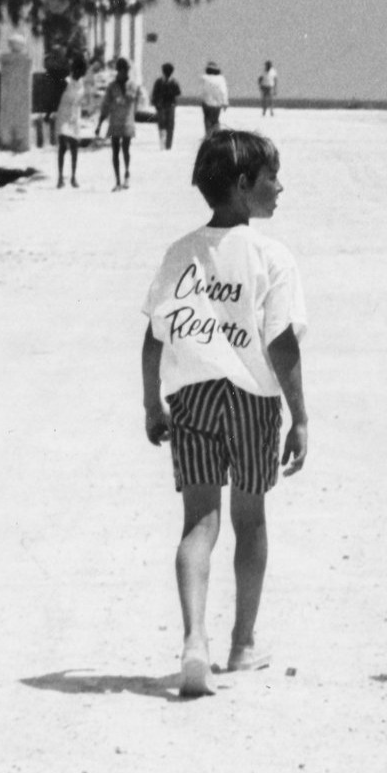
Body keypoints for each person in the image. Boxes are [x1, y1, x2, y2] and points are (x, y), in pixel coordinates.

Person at [141, 129, 309, 697]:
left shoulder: (181, 252)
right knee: (250, 520)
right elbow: (282, 343)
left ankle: (194, 639)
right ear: (243, 186)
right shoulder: (271, 256)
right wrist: (301, 415)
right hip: (252, 402)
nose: (280, 187)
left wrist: (151, 402)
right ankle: (241, 642)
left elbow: (153, 338)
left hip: (192, 396)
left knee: (199, 524)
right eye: (270, 178)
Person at [53, 57, 99, 188]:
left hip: (75, 117)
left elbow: (83, 100)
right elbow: (56, 97)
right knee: (62, 146)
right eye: (80, 70)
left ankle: (73, 177)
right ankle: (60, 177)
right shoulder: (65, 82)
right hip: (63, 115)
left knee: (74, 147)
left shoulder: (82, 84)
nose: (81, 74)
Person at [97, 56, 138, 190]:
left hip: (127, 121)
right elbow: (106, 105)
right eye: (123, 70)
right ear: (118, 70)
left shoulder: (132, 85)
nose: (125, 73)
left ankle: (126, 172)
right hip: (114, 122)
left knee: (125, 149)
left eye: (126, 70)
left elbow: (131, 98)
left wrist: (122, 94)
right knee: (115, 151)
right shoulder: (111, 87)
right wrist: (99, 124)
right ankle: (118, 181)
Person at [150, 63, 182, 150]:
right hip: (164, 105)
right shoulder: (161, 81)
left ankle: (167, 145)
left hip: (168, 105)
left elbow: (178, 92)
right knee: (163, 124)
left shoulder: (169, 81)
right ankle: (164, 144)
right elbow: (155, 93)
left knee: (169, 125)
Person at [199, 61, 230, 137]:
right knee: (215, 120)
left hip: (206, 102)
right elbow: (224, 91)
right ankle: (216, 136)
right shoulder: (221, 79)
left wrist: (202, 99)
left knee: (207, 119)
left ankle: (208, 136)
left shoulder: (204, 78)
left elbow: (202, 91)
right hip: (217, 104)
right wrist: (225, 102)